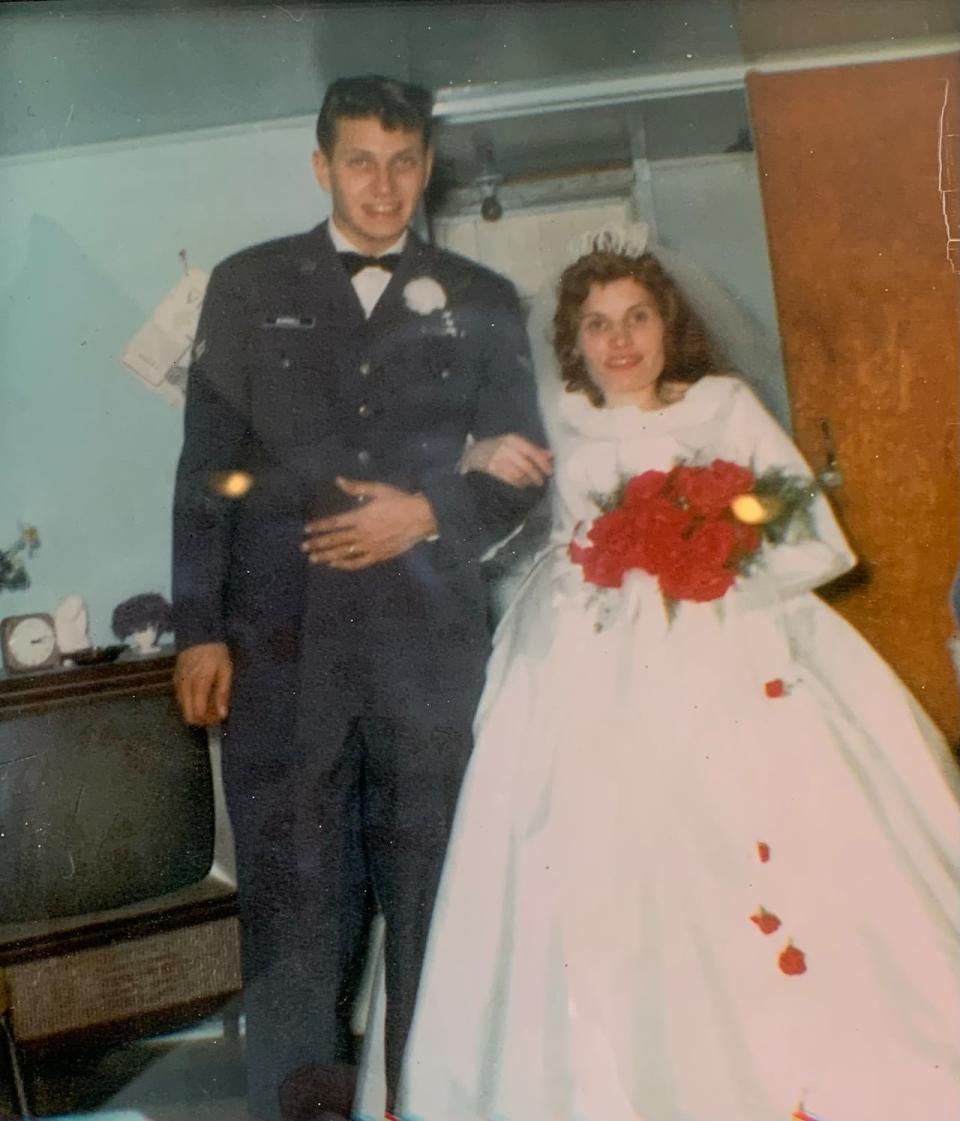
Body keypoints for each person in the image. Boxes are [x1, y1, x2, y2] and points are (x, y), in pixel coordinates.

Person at [391, 226, 960, 1121]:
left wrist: (721, 541)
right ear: (572, 344)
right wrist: (471, 460)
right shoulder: (556, 422)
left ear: (668, 324)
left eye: (637, 317)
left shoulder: (723, 406)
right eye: (597, 325)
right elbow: (492, 490)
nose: (620, 341)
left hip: (726, 640)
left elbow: (803, 531)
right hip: (591, 650)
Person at [171, 75, 550, 1121]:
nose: (383, 186)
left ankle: (425, 1103)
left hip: (428, 656)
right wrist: (199, 626)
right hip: (280, 650)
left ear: (427, 166)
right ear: (321, 166)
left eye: (403, 161)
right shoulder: (247, 285)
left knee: (438, 901)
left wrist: (427, 512)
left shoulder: (480, 297)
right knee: (297, 918)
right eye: (359, 161)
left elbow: (524, 467)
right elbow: (209, 466)